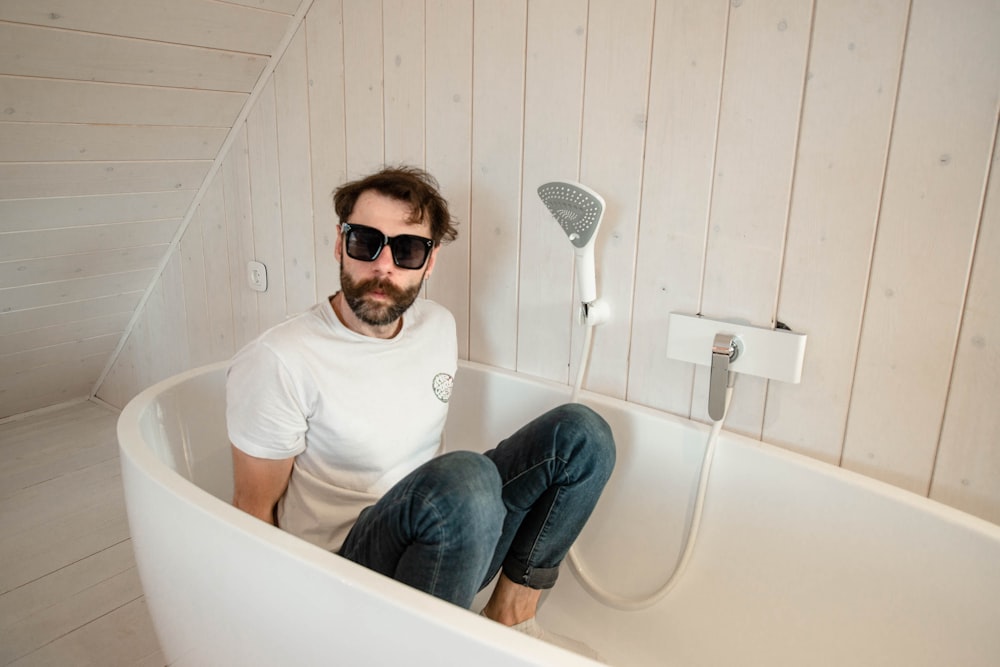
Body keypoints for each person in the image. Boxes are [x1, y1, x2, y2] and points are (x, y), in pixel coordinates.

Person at [226, 166, 615, 660]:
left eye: (406, 249)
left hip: (445, 539)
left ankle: (510, 619)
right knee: (466, 478)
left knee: (584, 435)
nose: (383, 266)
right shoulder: (281, 359)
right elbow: (250, 518)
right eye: (366, 241)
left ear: (428, 263)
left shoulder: (437, 326)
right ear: (338, 244)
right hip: (342, 578)